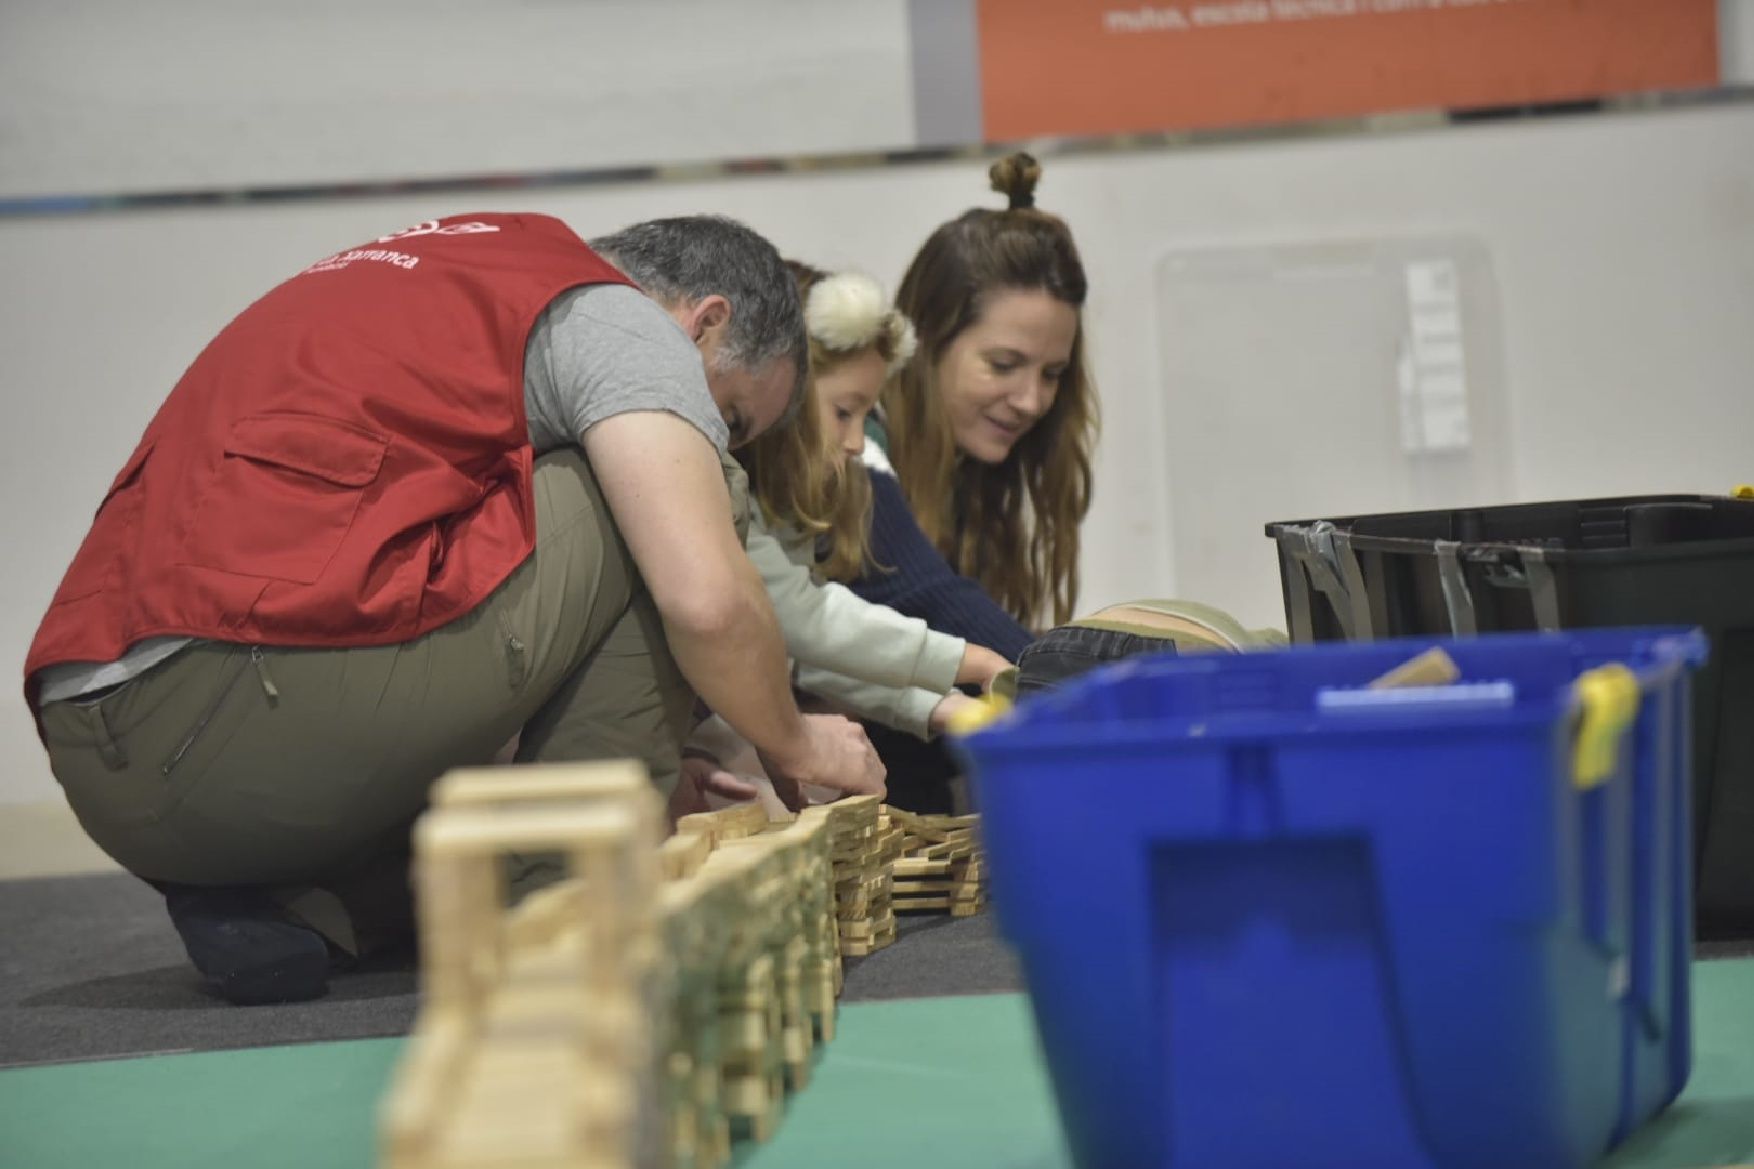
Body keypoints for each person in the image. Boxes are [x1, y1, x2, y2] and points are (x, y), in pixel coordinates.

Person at [23, 211, 883, 1004]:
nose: (718, 433)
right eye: (729, 413)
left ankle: (296, 902)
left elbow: (412, 590)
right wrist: (797, 739)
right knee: (672, 508)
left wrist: (665, 748)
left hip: (106, 756)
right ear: (705, 320)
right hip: (228, 705)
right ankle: (565, 907)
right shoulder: (623, 321)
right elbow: (704, 603)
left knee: (479, 826)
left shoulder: (454, 274)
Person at [675, 261, 1012, 815]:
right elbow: (809, 624)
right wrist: (968, 662)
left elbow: (800, 658)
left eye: (865, 415)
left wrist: (934, 706)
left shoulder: (785, 501)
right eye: (843, 412)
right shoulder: (723, 490)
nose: (857, 443)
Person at [844, 153, 1097, 809]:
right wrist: (1107, 691)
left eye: (1051, 373)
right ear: (925, 340)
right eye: (1004, 364)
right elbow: (931, 596)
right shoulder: (856, 447)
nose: (1032, 400)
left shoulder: (972, 469)